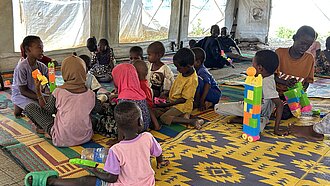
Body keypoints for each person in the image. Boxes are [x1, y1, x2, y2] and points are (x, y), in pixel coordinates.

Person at [24, 101, 170, 186]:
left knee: (85, 180)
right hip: (148, 184)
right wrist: (160, 162)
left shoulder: (117, 150)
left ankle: (51, 182)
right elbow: (158, 153)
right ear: (140, 122)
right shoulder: (148, 137)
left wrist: (92, 169)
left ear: (118, 128)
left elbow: (111, 178)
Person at [24, 56, 95, 147]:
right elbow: (98, 109)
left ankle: (46, 130)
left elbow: (47, 111)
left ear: (65, 72)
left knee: (30, 107)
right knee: (89, 117)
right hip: (86, 138)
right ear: (83, 72)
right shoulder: (90, 94)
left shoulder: (58, 92)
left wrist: (38, 92)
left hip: (61, 139)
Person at [215, 50, 287, 136]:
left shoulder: (266, 83)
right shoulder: (268, 75)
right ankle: (248, 120)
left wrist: (276, 129)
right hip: (251, 107)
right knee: (219, 108)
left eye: (253, 65)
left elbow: (280, 105)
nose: (251, 67)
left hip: (258, 113)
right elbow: (275, 78)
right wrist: (286, 82)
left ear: (260, 68)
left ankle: (245, 120)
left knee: (217, 108)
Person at [155, 48, 204, 129]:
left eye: (179, 68)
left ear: (188, 66)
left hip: (182, 106)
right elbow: (176, 87)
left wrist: (167, 104)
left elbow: (183, 100)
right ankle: (183, 117)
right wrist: (166, 94)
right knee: (155, 111)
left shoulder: (192, 80)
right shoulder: (183, 72)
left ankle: (192, 121)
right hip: (174, 102)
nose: (177, 70)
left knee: (163, 118)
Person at [275, 25, 316, 120]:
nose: (304, 47)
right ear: (294, 38)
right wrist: (286, 83)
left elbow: (307, 82)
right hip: (276, 94)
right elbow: (271, 77)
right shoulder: (279, 53)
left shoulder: (309, 59)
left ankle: (279, 108)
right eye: (302, 43)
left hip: (294, 98)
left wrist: (299, 93)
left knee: (286, 113)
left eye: (308, 45)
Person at [11, 36, 49, 118]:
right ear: (28, 50)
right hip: (21, 94)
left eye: (42, 47)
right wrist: (40, 98)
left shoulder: (42, 67)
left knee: (51, 102)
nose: (42, 50)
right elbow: (23, 91)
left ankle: (19, 107)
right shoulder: (21, 68)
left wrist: (47, 94)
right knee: (37, 110)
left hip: (36, 93)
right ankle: (19, 107)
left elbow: (46, 84)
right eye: (39, 47)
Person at [112, 63, 151, 133]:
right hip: (144, 125)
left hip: (132, 131)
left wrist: (119, 140)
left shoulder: (124, 96)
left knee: (104, 120)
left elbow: (122, 119)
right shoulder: (140, 91)